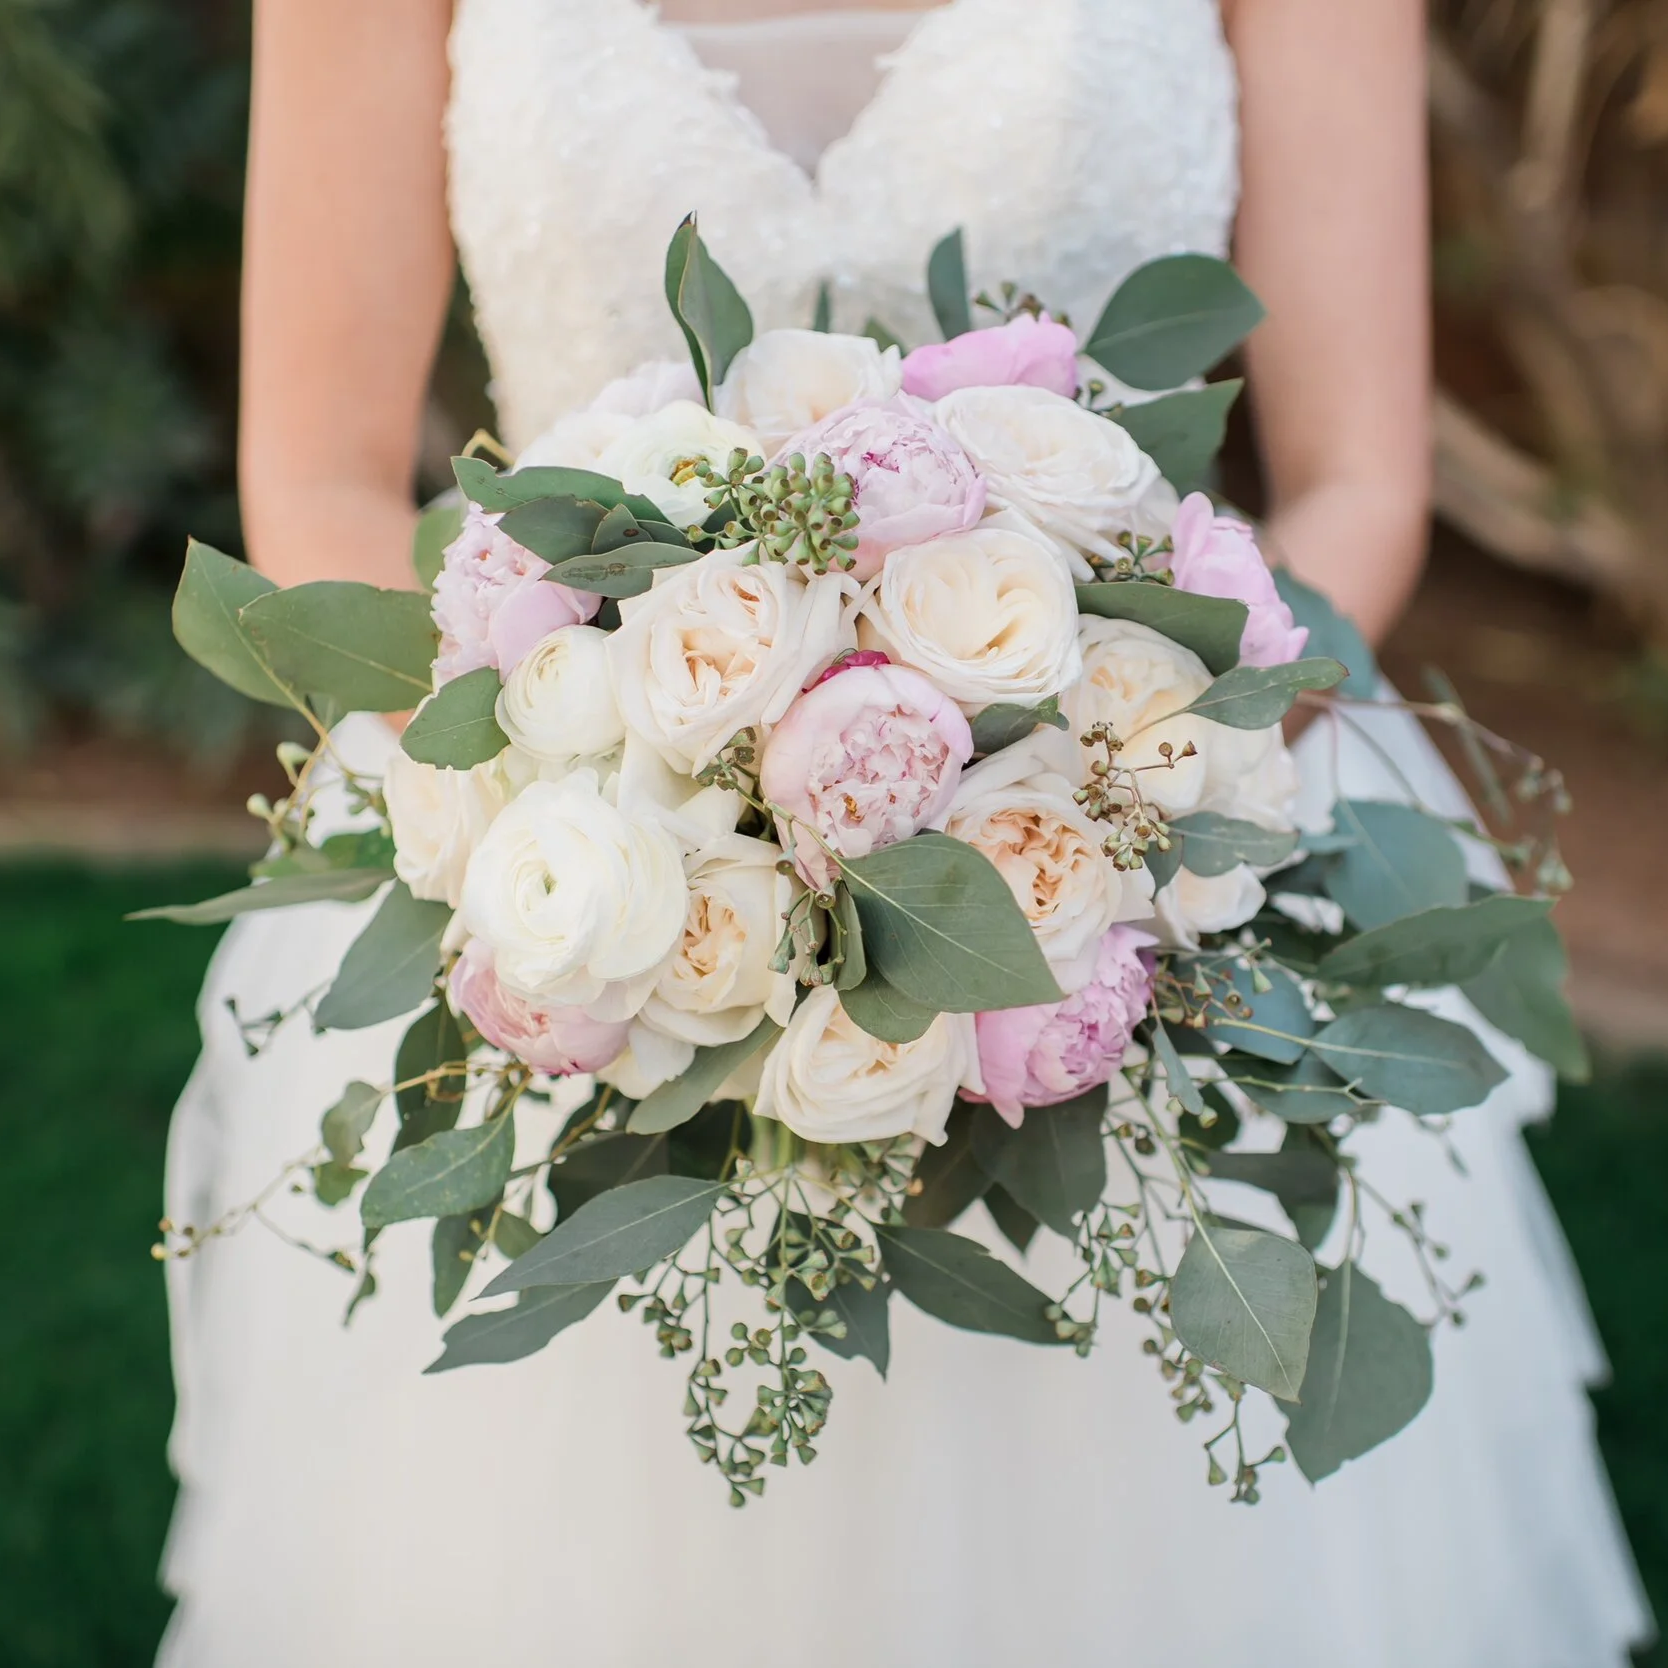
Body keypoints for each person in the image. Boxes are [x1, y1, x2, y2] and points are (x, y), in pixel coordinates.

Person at [158, 2, 1651, 1663]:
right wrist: (580, 817)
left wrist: (1108, 795)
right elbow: (323, 473)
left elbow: (1360, 473)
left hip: (1141, 879)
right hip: (595, 889)